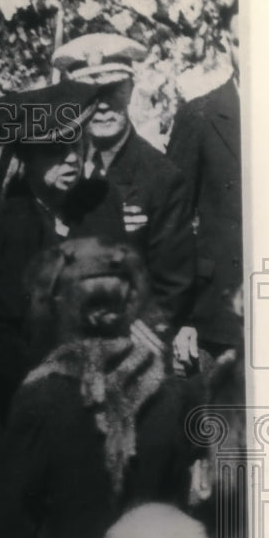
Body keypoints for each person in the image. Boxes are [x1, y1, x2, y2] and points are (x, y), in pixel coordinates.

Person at [0, 80, 131, 538]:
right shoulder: (0, 234)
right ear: (27, 157)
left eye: (76, 144)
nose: (72, 158)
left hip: (90, 421)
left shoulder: (97, 216)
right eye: (55, 149)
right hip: (16, 420)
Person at [0, 238, 204, 538]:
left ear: (60, 307)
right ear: (129, 304)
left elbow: (12, 523)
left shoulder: (40, 397)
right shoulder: (173, 394)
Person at [53, 33, 196, 364]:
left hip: (128, 350)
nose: (102, 105)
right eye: (91, 94)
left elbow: (172, 287)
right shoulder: (54, 167)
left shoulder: (161, 179)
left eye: (112, 92)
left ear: (130, 90)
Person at [166, 17, 242, 363]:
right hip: (218, 317)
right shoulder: (199, 116)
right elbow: (172, 223)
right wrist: (182, 317)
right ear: (227, 44)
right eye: (243, 43)